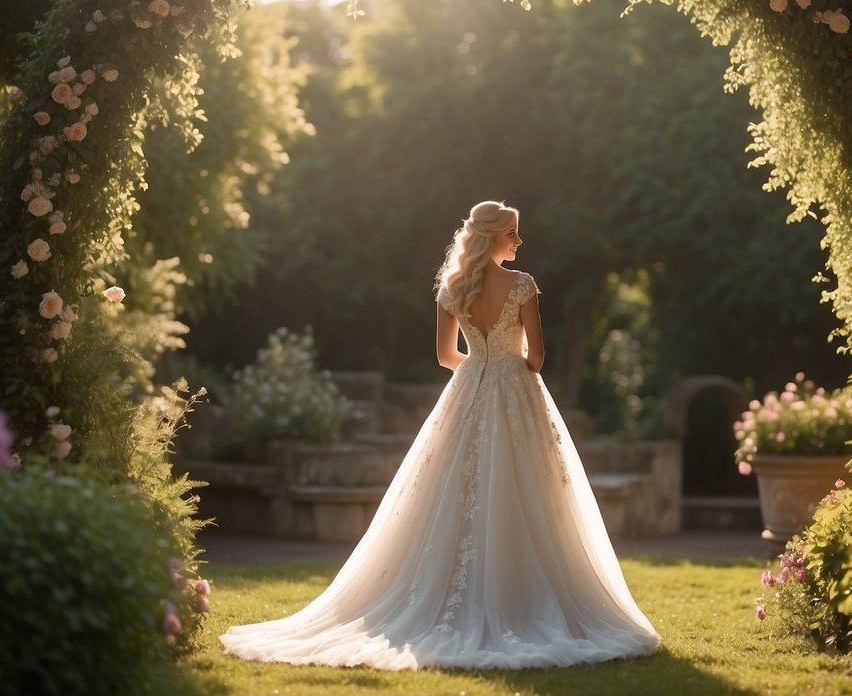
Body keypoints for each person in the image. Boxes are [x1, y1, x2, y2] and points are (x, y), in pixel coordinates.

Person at [220, 200, 660, 669]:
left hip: (468, 389)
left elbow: (445, 355)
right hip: (516, 388)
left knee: (454, 486)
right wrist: (511, 365)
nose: (518, 242)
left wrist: (480, 369)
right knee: (529, 484)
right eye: (512, 233)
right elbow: (538, 359)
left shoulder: (452, 288)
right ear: (493, 236)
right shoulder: (523, 285)